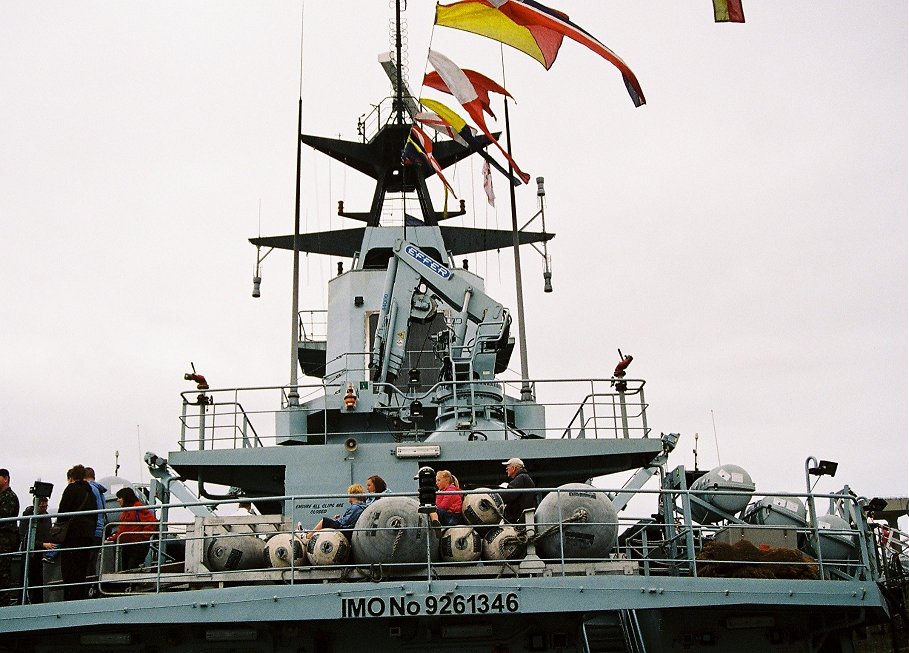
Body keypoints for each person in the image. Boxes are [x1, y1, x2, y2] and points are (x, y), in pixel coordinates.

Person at [56, 464, 97, 600]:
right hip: (87, 536)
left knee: (69, 571)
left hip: (72, 536)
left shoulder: (71, 489)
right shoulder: (90, 493)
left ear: (72, 477)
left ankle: (69, 599)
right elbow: (95, 515)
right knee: (81, 570)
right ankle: (79, 598)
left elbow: (62, 512)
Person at [106, 487, 157, 571]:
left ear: (126, 498)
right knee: (125, 569)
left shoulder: (137, 508)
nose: (118, 500)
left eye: (119, 498)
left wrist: (143, 537)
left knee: (131, 568)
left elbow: (151, 522)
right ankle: (129, 584)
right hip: (127, 545)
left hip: (136, 546)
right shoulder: (126, 511)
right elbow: (122, 530)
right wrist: (112, 538)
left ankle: (132, 584)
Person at [18, 496, 55, 604]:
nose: (44, 506)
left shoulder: (47, 517)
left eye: (46, 503)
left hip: (40, 554)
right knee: (26, 581)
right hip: (29, 554)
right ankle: (23, 603)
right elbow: (24, 537)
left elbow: (48, 533)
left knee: (38, 581)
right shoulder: (27, 516)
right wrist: (43, 544)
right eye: (42, 503)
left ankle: (38, 602)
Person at [84, 467, 107, 589]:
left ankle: (86, 590)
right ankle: (90, 588)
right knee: (92, 563)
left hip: (91, 530)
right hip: (99, 530)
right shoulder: (99, 490)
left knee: (87, 563)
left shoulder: (90, 489)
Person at [0, 469, 20, 606]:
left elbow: (4, 518)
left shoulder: (9, 497)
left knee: (2, 575)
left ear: (5, 479)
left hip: (4, 543)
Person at [501, 458, 536, 524]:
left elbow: (509, 495)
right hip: (521, 517)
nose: (506, 470)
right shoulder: (524, 478)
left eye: (507, 468)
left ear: (513, 468)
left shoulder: (521, 478)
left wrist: (495, 496)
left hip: (517, 519)